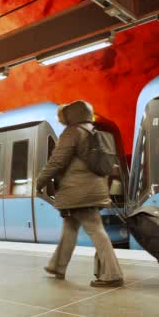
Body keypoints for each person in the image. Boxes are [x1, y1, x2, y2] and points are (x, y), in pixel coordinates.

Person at [36, 100, 123, 288]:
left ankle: (112, 274)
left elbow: (56, 162)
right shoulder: (95, 132)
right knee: (70, 227)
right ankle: (57, 266)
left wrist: (39, 182)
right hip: (94, 189)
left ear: (71, 116)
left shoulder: (72, 132)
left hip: (78, 192)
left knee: (95, 229)